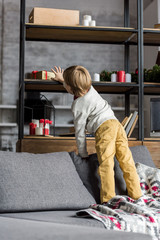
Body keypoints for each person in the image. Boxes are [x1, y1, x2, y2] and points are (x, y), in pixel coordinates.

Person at [51, 65, 142, 204]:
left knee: (106, 165)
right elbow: (76, 85)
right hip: (117, 125)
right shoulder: (90, 89)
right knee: (127, 162)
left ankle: (108, 199)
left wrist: (83, 153)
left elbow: (80, 132)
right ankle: (137, 195)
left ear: (70, 87)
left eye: (66, 85)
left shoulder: (78, 105)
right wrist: (63, 80)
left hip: (105, 130)